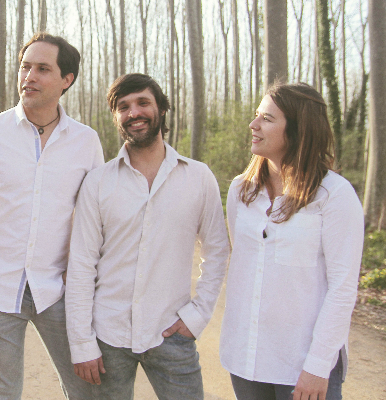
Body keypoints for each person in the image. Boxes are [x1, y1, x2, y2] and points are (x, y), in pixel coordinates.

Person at [0, 32, 103, 399]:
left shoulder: (86, 142)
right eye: (25, 67)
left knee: (86, 389)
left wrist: (82, 272)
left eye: (42, 69)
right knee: (4, 393)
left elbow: (96, 218)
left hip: (58, 289)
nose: (29, 76)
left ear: (66, 80)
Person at [65, 73, 230, 400]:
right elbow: (81, 264)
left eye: (143, 102)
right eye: (123, 106)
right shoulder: (98, 183)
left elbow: (217, 251)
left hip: (171, 334)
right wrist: (82, 342)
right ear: (116, 117)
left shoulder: (199, 178)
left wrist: (197, 316)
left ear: (161, 109)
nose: (134, 112)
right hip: (107, 337)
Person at [220, 82, 364, 400]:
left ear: (299, 129)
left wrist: (317, 367)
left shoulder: (334, 195)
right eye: (257, 115)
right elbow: (244, 263)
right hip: (245, 358)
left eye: (267, 118)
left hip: (302, 366)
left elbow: (343, 289)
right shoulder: (240, 190)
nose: (253, 124)